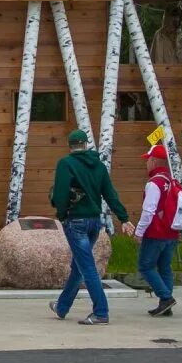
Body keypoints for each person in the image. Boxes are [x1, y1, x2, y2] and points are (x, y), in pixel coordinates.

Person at [48, 129, 133, 325]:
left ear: (70, 147)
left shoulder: (66, 164)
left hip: (76, 221)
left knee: (87, 268)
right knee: (79, 266)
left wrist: (61, 215)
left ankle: (101, 312)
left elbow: (60, 194)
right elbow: (110, 194)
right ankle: (61, 307)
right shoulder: (99, 166)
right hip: (95, 221)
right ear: (86, 144)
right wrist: (124, 218)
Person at [135, 143, 182, 316]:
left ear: (154, 161)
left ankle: (166, 297)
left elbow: (149, 211)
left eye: (148, 160)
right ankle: (165, 304)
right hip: (172, 231)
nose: (146, 163)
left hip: (156, 232)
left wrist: (139, 232)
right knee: (165, 267)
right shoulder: (172, 181)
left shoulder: (154, 183)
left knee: (145, 266)